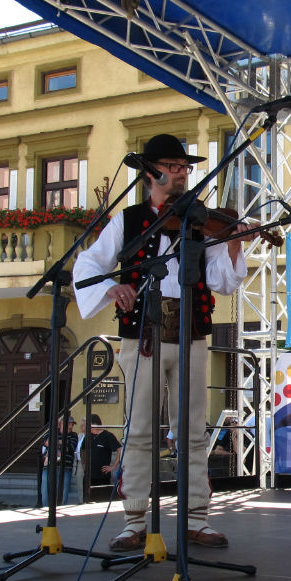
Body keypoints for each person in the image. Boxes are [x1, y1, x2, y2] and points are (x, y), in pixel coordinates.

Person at [72, 133, 247, 552]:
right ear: (152, 173)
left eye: (186, 168)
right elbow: (88, 263)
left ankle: (197, 519)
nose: (183, 174)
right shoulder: (129, 221)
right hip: (143, 333)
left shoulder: (201, 222)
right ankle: (134, 520)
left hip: (192, 333)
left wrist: (236, 240)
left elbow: (223, 281)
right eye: (174, 167)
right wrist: (113, 288)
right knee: (139, 430)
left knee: (191, 431)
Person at [40, 416, 78, 506]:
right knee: (46, 494)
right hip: (49, 467)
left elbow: (69, 447)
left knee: (62, 496)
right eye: (68, 424)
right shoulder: (51, 432)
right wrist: (61, 443)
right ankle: (45, 513)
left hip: (65, 468)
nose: (70, 426)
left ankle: (60, 515)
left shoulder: (73, 435)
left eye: (72, 424)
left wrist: (55, 443)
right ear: (60, 424)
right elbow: (46, 441)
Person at [85, 413, 122, 501]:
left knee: (102, 499)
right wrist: (83, 463)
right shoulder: (89, 436)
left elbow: (119, 449)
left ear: (95, 424)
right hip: (89, 475)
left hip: (102, 476)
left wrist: (113, 466)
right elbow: (82, 449)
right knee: (89, 500)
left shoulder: (108, 436)